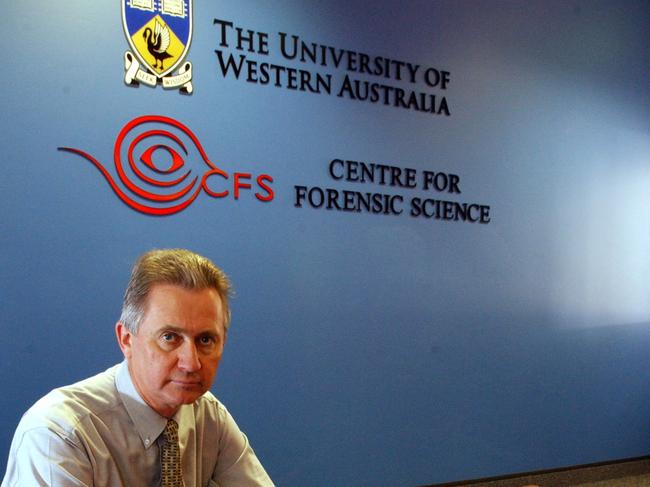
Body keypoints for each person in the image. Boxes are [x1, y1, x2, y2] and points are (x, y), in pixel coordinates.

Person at [1, 249, 274, 486]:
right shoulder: (59, 432)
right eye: (169, 338)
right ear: (126, 339)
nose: (191, 363)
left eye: (205, 340)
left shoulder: (209, 417)